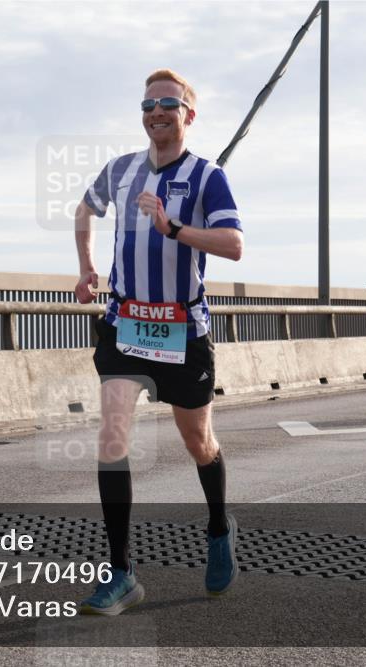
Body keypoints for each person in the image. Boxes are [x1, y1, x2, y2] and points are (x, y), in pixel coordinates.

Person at [73, 69, 244, 615]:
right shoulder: (121, 170)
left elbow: (233, 244)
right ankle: (122, 573)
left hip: (182, 330)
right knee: (112, 438)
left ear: (188, 115)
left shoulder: (207, 175)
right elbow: (85, 209)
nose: (156, 113)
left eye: (168, 104)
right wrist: (87, 268)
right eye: (148, 105)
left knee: (198, 441)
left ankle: (218, 529)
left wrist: (173, 229)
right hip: (125, 324)